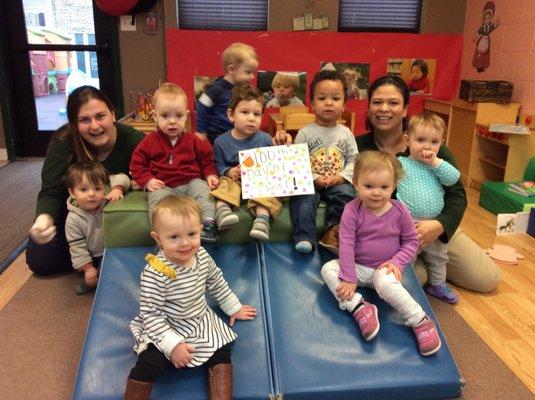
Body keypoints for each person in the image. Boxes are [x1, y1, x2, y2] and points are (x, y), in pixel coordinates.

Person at [356, 74, 500, 293]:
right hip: (391, 235)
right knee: (411, 280)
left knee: (486, 279)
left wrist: (441, 225)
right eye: (377, 102)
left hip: (433, 226)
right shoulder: (358, 147)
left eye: (393, 103)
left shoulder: (429, 145)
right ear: (369, 108)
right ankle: (426, 268)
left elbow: (457, 194)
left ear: (405, 109)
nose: (384, 108)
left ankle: (434, 262)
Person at [124, 195, 257, 400]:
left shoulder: (202, 256)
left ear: (200, 230)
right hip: (164, 325)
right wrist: (173, 345)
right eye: (174, 237)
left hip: (198, 319)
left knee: (221, 350)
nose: (185, 243)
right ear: (158, 239)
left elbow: (216, 282)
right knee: (151, 361)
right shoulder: (155, 272)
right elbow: (151, 315)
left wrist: (233, 307)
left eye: (192, 234)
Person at [321, 151, 441, 356]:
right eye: (369, 186)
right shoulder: (352, 210)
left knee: (385, 283)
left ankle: (419, 320)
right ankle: (359, 308)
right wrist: (348, 277)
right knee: (328, 269)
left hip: (383, 269)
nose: (376, 193)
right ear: (356, 184)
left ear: (393, 186)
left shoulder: (400, 211)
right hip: (358, 268)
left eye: (384, 187)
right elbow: (347, 243)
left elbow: (412, 241)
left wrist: (397, 261)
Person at [28, 85, 144, 276]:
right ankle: (89, 259)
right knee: (41, 260)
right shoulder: (63, 143)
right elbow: (51, 191)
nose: (95, 126)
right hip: (77, 219)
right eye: (84, 120)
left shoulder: (134, 141)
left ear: (113, 114)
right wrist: (44, 219)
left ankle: (97, 259)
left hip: (117, 217)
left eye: (100, 116)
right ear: (74, 124)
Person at [130, 83, 223, 243]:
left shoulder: (193, 141)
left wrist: (210, 175)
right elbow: (137, 164)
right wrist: (148, 180)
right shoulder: (149, 141)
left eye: (178, 116)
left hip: (190, 182)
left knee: (203, 190)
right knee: (157, 200)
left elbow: (206, 160)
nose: (172, 121)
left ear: (186, 116)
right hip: (164, 185)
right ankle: (163, 232)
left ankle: (208, 223)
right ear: (155, 116)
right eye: (165, 116)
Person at [290, 69, 358, 254]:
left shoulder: (346, 134)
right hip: (311, 182)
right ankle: (305, 237)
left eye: (335, 99)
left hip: (338, 182)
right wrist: (313, 178)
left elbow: (354, 161)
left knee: (347, 195)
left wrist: (341, 177)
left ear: (344, 104)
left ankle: (333, 233)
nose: (329, 103)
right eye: (322, 98)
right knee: (302, 199)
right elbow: (298, 163)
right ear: (312, 103)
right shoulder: (305, 133)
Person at [397, 112, 460, 304]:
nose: (427, 147)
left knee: (439, 257)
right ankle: (403, 286)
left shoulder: (438, 165)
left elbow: (454, 178)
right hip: (409, 223)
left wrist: (435, 162)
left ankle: (437, 284)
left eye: (434, 142)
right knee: (407, 257)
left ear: (441, 142)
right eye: (421, 140)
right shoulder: (400, 163)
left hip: (435, 222)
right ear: (407, 140)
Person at [211, 83, 285, 240]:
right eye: (245, 112)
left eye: (257, 114)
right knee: (223, 183)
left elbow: (276, 167)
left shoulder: (265, 139)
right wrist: (229, 171)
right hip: (235, 182)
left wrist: (282, 147)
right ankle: (223, 211)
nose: (251, 118)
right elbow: (219, 166)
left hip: (258, 184)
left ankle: (262, 220)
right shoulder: (220, 142)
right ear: (231, 115)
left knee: (268, 189)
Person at [64, 161, 130, 294]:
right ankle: (93, 278)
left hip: (112, 250)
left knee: (113, 273)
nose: (91, 194)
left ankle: (104, 277)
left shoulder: (106, 201)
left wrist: (117, 188)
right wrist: (88, 268)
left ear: (104, 188)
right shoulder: (73, 219)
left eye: (97, 188)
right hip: (91, 256)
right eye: (83, 189)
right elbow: (77, 246)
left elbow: (122, 177)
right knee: (93, 273)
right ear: (72, 192)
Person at [196, 42, 259, 143]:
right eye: (248, 72)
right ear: (231, 69)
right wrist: (201, 131)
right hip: (218, 135)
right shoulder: (215, 89)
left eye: (253, 72)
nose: (252, 77)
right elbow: (202, 106)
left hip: (236, 133)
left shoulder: (242, 89)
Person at [472, 1, 500, 73]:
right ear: (483, 19)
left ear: (491, 19)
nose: (487, 20)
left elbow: (493, 26)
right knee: (480, 52)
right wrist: (475, 37)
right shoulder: (482, 28)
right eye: (485, 18)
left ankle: (483, 65)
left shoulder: (489, 27)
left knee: (485, 54)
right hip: (482, 40)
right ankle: (478, 65)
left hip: (486, 40)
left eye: (489, 18)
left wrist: (496, 23)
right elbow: (477, 33)